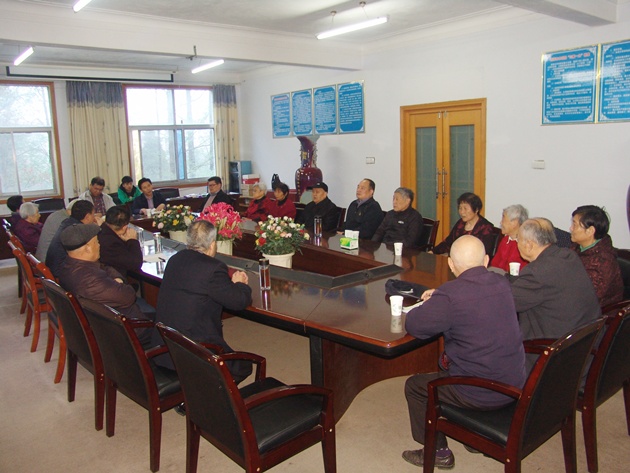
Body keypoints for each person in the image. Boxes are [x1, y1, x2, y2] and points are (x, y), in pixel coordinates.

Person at [403, 235, 526, 469]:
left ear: (451, 264)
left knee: (416, 387)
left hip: (480, 392)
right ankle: (475, 435)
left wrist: (434, 301)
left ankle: (438, 452)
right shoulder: (502, 283)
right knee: (449, 362)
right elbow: (474, 306)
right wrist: (440, 298)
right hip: (515, 383)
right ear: (486, 260)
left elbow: (415, 325)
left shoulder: (451, 295)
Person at [151, 220, 253, 383]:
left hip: (164, 346)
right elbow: (239, 301)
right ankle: (213, 394)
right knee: (243, 366)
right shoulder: (213, 268)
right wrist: (240, 284)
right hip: (193, 351)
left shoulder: (175, 259)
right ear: (212, 245)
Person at [509, 218, 600, 366]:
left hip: (554, 357)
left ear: (529, 245)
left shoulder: (537, 272)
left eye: (518, 240)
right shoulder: (568, 256)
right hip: (584, 346)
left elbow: (505, 302)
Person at [57, 223, 153, 347]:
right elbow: (129, 296)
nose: (99, 245)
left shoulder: (69, 265)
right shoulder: (90, 280)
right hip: (127, 330)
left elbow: (105, 267)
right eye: (97, 242)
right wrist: (119, 282)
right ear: (87, 248)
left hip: (109, 322)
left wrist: (117, 279)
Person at [569, 205, 623, 308]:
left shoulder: (603, 262)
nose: (571, 228)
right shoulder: (577, 247)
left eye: (575, 225)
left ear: (590, 231)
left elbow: (587, 297)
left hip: (598, 313)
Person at [46, 200, 97, 277]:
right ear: (87, 217)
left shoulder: (67, 222)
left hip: (53, 267)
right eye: (93, 214)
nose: (94, 218)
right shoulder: (77, 230)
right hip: (61, 271)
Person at [97, 205, 143, 278]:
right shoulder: (111, 243)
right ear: (125, 227)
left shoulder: (102, 231)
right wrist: (132, 240)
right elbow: (136, 264)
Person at [489, 204, 529, 273]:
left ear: (514, 222)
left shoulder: (526, 244)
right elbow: (494, 264)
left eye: (503, 219)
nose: (501, 222)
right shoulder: (505, 240)